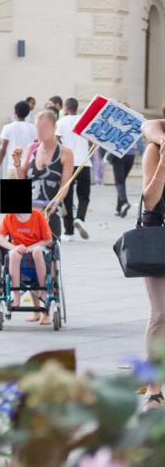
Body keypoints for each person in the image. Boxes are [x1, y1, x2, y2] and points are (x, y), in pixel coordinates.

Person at [14, 110, 74, 240]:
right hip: (27, 210)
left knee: (48, 250)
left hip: (50, 209)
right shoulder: (31, 148)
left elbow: (65, 186)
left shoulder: (65, 153)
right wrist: (17, 163)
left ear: (54, 127)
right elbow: (21, 181)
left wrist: (54, 204)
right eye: (38, 127)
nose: (41, 131)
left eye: (45, 127)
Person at [140, 135, 165, 409]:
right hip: (159, 242)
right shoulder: (154, 150)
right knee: (160, 315)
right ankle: (153, 390)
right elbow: (149, 201)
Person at [0, 208, 53, 325]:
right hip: (19, 252)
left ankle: (43, 291)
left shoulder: (37, 215)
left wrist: (31, 247)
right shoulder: (9, 217)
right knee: (13, 255)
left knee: (37, 252)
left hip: (37, 249)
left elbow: (48, 239)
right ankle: (16, 298)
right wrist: (15, 247)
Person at [56, 98, 91, 241]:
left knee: (66, 197)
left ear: (65, 108)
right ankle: (80, 218)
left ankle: (69, 231)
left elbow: (56, 139)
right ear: (76, 107)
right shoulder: (85, 120)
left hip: (67, 164)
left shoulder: (61, 122)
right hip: (84, 163)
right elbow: (90, 140)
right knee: (84, 195)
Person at [0, 101, 37, 181]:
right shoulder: (33, 128)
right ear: (28, 113)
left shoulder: (7, 127)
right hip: (28, 168)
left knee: (11, 194)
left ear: (15, 112)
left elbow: (3, 150)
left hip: (12, 167)